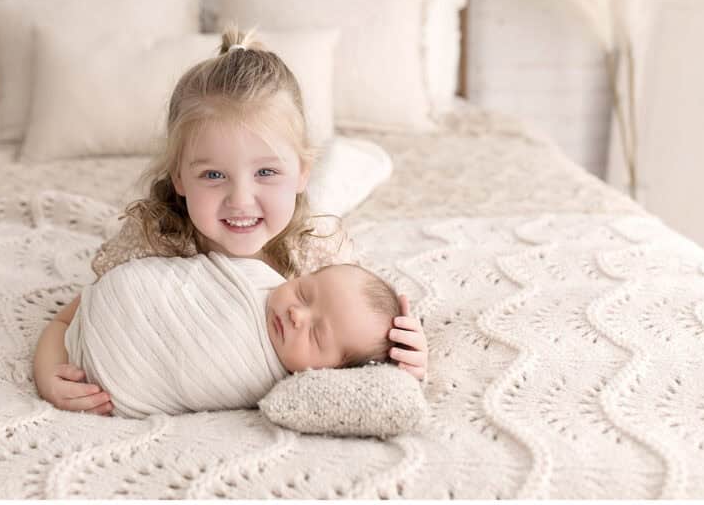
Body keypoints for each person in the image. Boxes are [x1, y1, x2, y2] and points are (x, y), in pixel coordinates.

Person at [34, 25, 428, 416]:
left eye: (266, 173)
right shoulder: (156, 238)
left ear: (302, 172)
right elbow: (70, 317)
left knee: (326, 201)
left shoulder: (315, 247)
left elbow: (361, 328)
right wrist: (49, 372)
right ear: (179, 178)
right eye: (213, 175)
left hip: (302, 213)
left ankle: (349, 162)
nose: (240, 200)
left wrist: (407, 354)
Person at [36, 253, 401, 418]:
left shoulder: (295, 389)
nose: (296, 313)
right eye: (304, 293)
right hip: (113, 297)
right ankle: (57, 338)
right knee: (72, 316)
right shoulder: (256, 275)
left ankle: (62, 336)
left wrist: (406, 365)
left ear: (332, 372)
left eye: (317, 334)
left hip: (104, 379)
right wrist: (47, 371)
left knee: (72, 332)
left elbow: (373, 399)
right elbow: (185, 275)